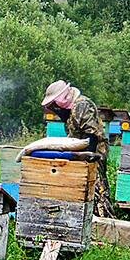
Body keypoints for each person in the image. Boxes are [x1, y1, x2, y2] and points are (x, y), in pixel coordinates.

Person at [42, 80, 114, 217]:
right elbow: (74, 130)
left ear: (63, 97)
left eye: (55, 102)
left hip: (94, 152)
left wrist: (87, 157)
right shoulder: (71, 108)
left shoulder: (82, 105)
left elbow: (91, 134)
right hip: (81, 151)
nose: (54, 106)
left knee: (97, 187)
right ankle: (87, 218)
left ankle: (104, 219)